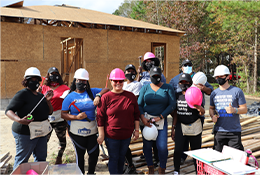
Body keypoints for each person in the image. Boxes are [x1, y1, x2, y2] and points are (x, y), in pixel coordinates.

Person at [61, 68, 109, 174]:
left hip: (92, 130)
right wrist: (76, 117)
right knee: (80, 155)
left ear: (87, 82)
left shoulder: (92, 92)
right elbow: (63, 114)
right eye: (79, 80)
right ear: (75, 81)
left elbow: (107, 89)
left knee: (94, 153)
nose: (81, 83)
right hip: (76, 131)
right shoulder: (69, 97)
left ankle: (91, 173)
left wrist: (98, 95)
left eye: (84, 81)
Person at [5, 67, 54, 170]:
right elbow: (8, 111)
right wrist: (19, 120)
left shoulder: (41, 96)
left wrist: (48, 101)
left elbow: (49, 112)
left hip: (41, 132)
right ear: (26, 81)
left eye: (37, 79)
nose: (35, 81)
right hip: (25, 133)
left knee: (41, 159)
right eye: (32, 79)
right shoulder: (22, 94)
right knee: (22, 161)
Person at [96, 68, 140, 174]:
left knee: (121, 158)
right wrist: (101, 135)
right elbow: (100, 117)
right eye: (115, 81)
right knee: (114, 158)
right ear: (111, 81)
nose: (118, 83)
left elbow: (136, 114)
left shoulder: (131, 96)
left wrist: (137, 130)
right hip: (111, 136)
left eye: (120, 81)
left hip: (126, 135)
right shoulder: (106, 98)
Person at [169, 59, 213, 164]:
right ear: (182, 67)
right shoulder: (175, 80)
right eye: (185, 65)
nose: (188, 67)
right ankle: (182, 158)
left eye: (189, 65)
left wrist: (203, 88)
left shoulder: (199, 78)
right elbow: (171, 95)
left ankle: (196, 163)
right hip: (182, 114)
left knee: (195, 140)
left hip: (197, 114)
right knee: (182, 140)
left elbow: (209, 90)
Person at [138, 66, 175, 174]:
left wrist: (161, 116)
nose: (156, 77)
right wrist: (142, 117)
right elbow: (139, 104)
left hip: (161, 121)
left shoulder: (168, 88)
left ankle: (162, 167)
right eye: (153, 76)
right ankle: (150, 167)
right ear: (150, 76)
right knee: (147, 146)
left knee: (162, 147)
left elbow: (172, 104)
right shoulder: (145, 88)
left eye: (158, 76)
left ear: (161, 75)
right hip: (147, 121)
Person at [171, 73, 205, 175]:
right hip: (181, 126)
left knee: (196, 152)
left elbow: (202, 112)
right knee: (178, 150)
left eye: (186, 82)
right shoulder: (177, 95)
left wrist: (200, 108)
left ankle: (197, 172)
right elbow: (176, 113)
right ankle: (176, 171)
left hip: (194, 125)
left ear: (190, 83)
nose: (184, 84)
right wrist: (173, 128)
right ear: (179, 83)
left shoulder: (196, 94)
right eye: (182, 82)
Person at [209, 65, 247, 152]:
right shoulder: (214, 93)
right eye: (217, 77)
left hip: (234, 132)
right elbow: (211, 108)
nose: (219, 78)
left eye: (221, 76)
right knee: (218, 158)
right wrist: (212, 116)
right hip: (219, 131)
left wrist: (234, 110)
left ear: (227, 77)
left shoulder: (237, 91)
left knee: (235, 159)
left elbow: (244, 109)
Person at [40, 67, 70, 164]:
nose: (54, 76)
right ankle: (41, 160)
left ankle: (59, 157)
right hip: (46, 119)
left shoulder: (65, 88)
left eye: (56, 73)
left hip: (60, 118)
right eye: (51, 74)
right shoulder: (43, 88)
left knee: (62, 141)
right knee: (44, 141)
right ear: (48, 75)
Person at [122, 64, 142, 174]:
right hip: (119, 118)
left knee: (125, 143)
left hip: (129, 118)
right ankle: (126, 164)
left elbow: (132, 100)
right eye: (128, 71)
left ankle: (130, 165)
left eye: (132, 71)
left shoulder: (137, 84)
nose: (130, 73)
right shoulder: (122, 83)